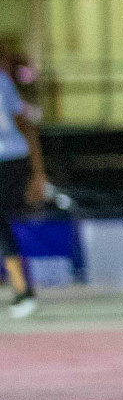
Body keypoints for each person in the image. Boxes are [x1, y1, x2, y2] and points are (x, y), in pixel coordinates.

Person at [1, 50, 47, 319]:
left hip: (9, 159)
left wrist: (38, 172)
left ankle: (23, 290)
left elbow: (24, 123)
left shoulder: (3, 82)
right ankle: (22, 289)